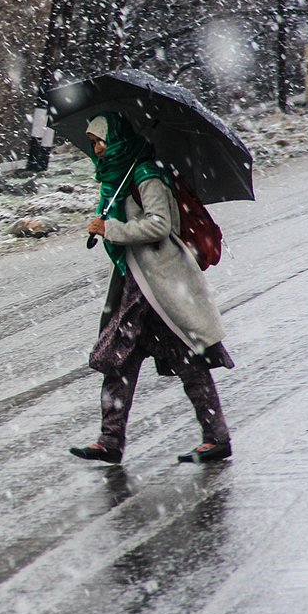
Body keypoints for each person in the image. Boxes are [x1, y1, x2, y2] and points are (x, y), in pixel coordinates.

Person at [69, 112, 234, 465]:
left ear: (118, 140)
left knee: (179, 361)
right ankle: (110, 440)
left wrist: (110, 230)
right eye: (94, 142)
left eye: (101, 141)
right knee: (120, 361)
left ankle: (216, 438)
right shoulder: (117, 178)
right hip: (135, 282)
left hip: (159, 284)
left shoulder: (146, 175)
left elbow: (160, 226)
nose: (97, 149)